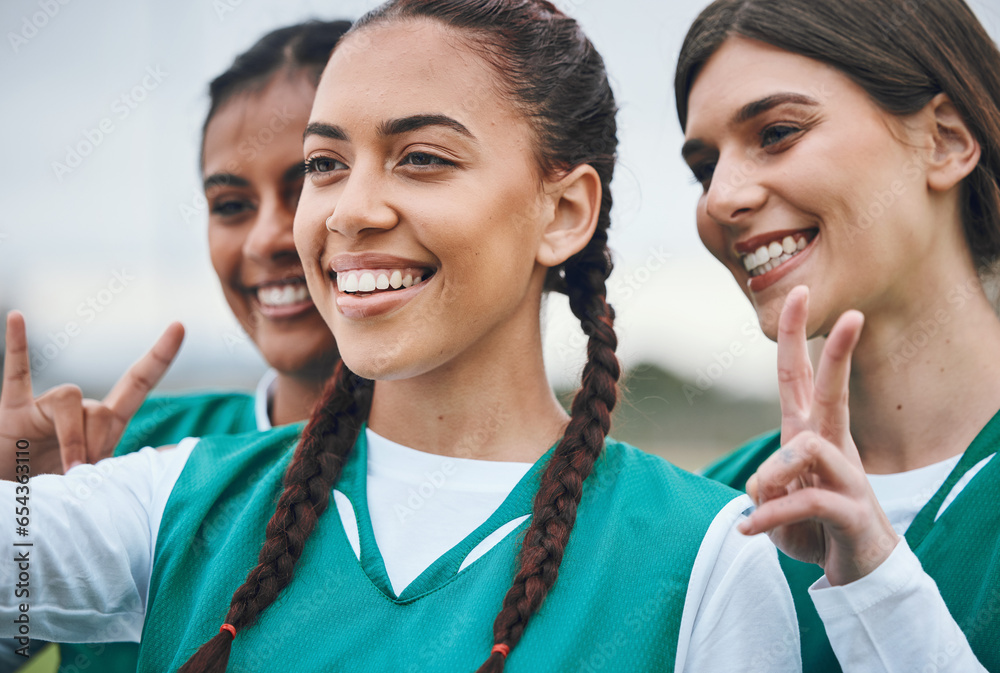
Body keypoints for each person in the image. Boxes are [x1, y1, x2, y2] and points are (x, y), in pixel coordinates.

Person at [1, 1, 803, 671]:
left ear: (562, 213)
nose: (349, 210)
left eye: (419, 157)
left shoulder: (703, 561)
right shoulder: (171, 501)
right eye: (326, 162)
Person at [0, 19, 350, 673]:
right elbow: (16, 646)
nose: (263, 240)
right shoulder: (129, 455)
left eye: (305, 186)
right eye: (230, 204)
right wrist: (18, 494)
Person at [676, 0, 1000, 669]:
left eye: (777, 133)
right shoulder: (713, 515)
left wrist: (876, 583)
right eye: (705, 167)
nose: (719, 198)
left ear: (945, 139)